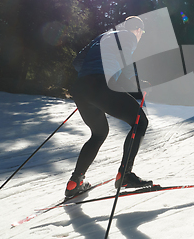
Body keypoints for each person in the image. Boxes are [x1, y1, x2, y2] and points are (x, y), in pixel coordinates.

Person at [65, 16, 152, 197]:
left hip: (81, 88)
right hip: (101, 84)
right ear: (137, 30)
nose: (140, 36)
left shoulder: (102, 36)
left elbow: (77, 62)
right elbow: (126, 61)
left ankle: (75, 182)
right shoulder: (128, 37)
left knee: (98, 133)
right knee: (140, 123)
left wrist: (90, 79)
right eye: (141, 33)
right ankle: (125, 176)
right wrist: (138, 82)